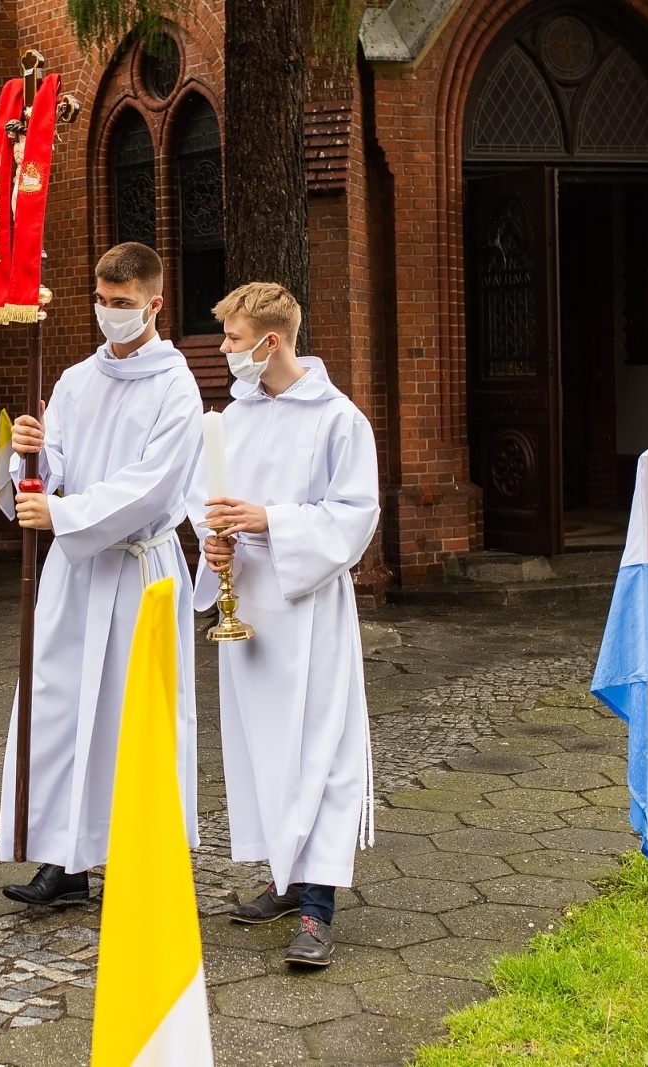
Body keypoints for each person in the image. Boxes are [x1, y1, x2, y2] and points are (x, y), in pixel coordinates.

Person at [0, 242, 203, 905]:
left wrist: (62, 511)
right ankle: (65, 858)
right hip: (74, 571)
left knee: (131, 718)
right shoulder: (76, 380)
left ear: (154, 303)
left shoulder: (176, 385)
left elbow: (150, 487)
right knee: (59, 712)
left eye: (123, 303)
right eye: (102, 301)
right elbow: (45, 466)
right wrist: (28, 458)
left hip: (138, 572)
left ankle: (141, 857)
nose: (110, 313)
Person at [189, 282, 380, 968]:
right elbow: (206, 500)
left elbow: (356, 515)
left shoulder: (337, 419)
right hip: (250, 607)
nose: (224, 350)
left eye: (234, 339)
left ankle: (317, 907)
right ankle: (283, 874)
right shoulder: (233, 419)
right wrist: (216, 543)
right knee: (261, 748)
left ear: (271, 341)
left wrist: (270, 520)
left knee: (318, 750)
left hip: (310, 609)